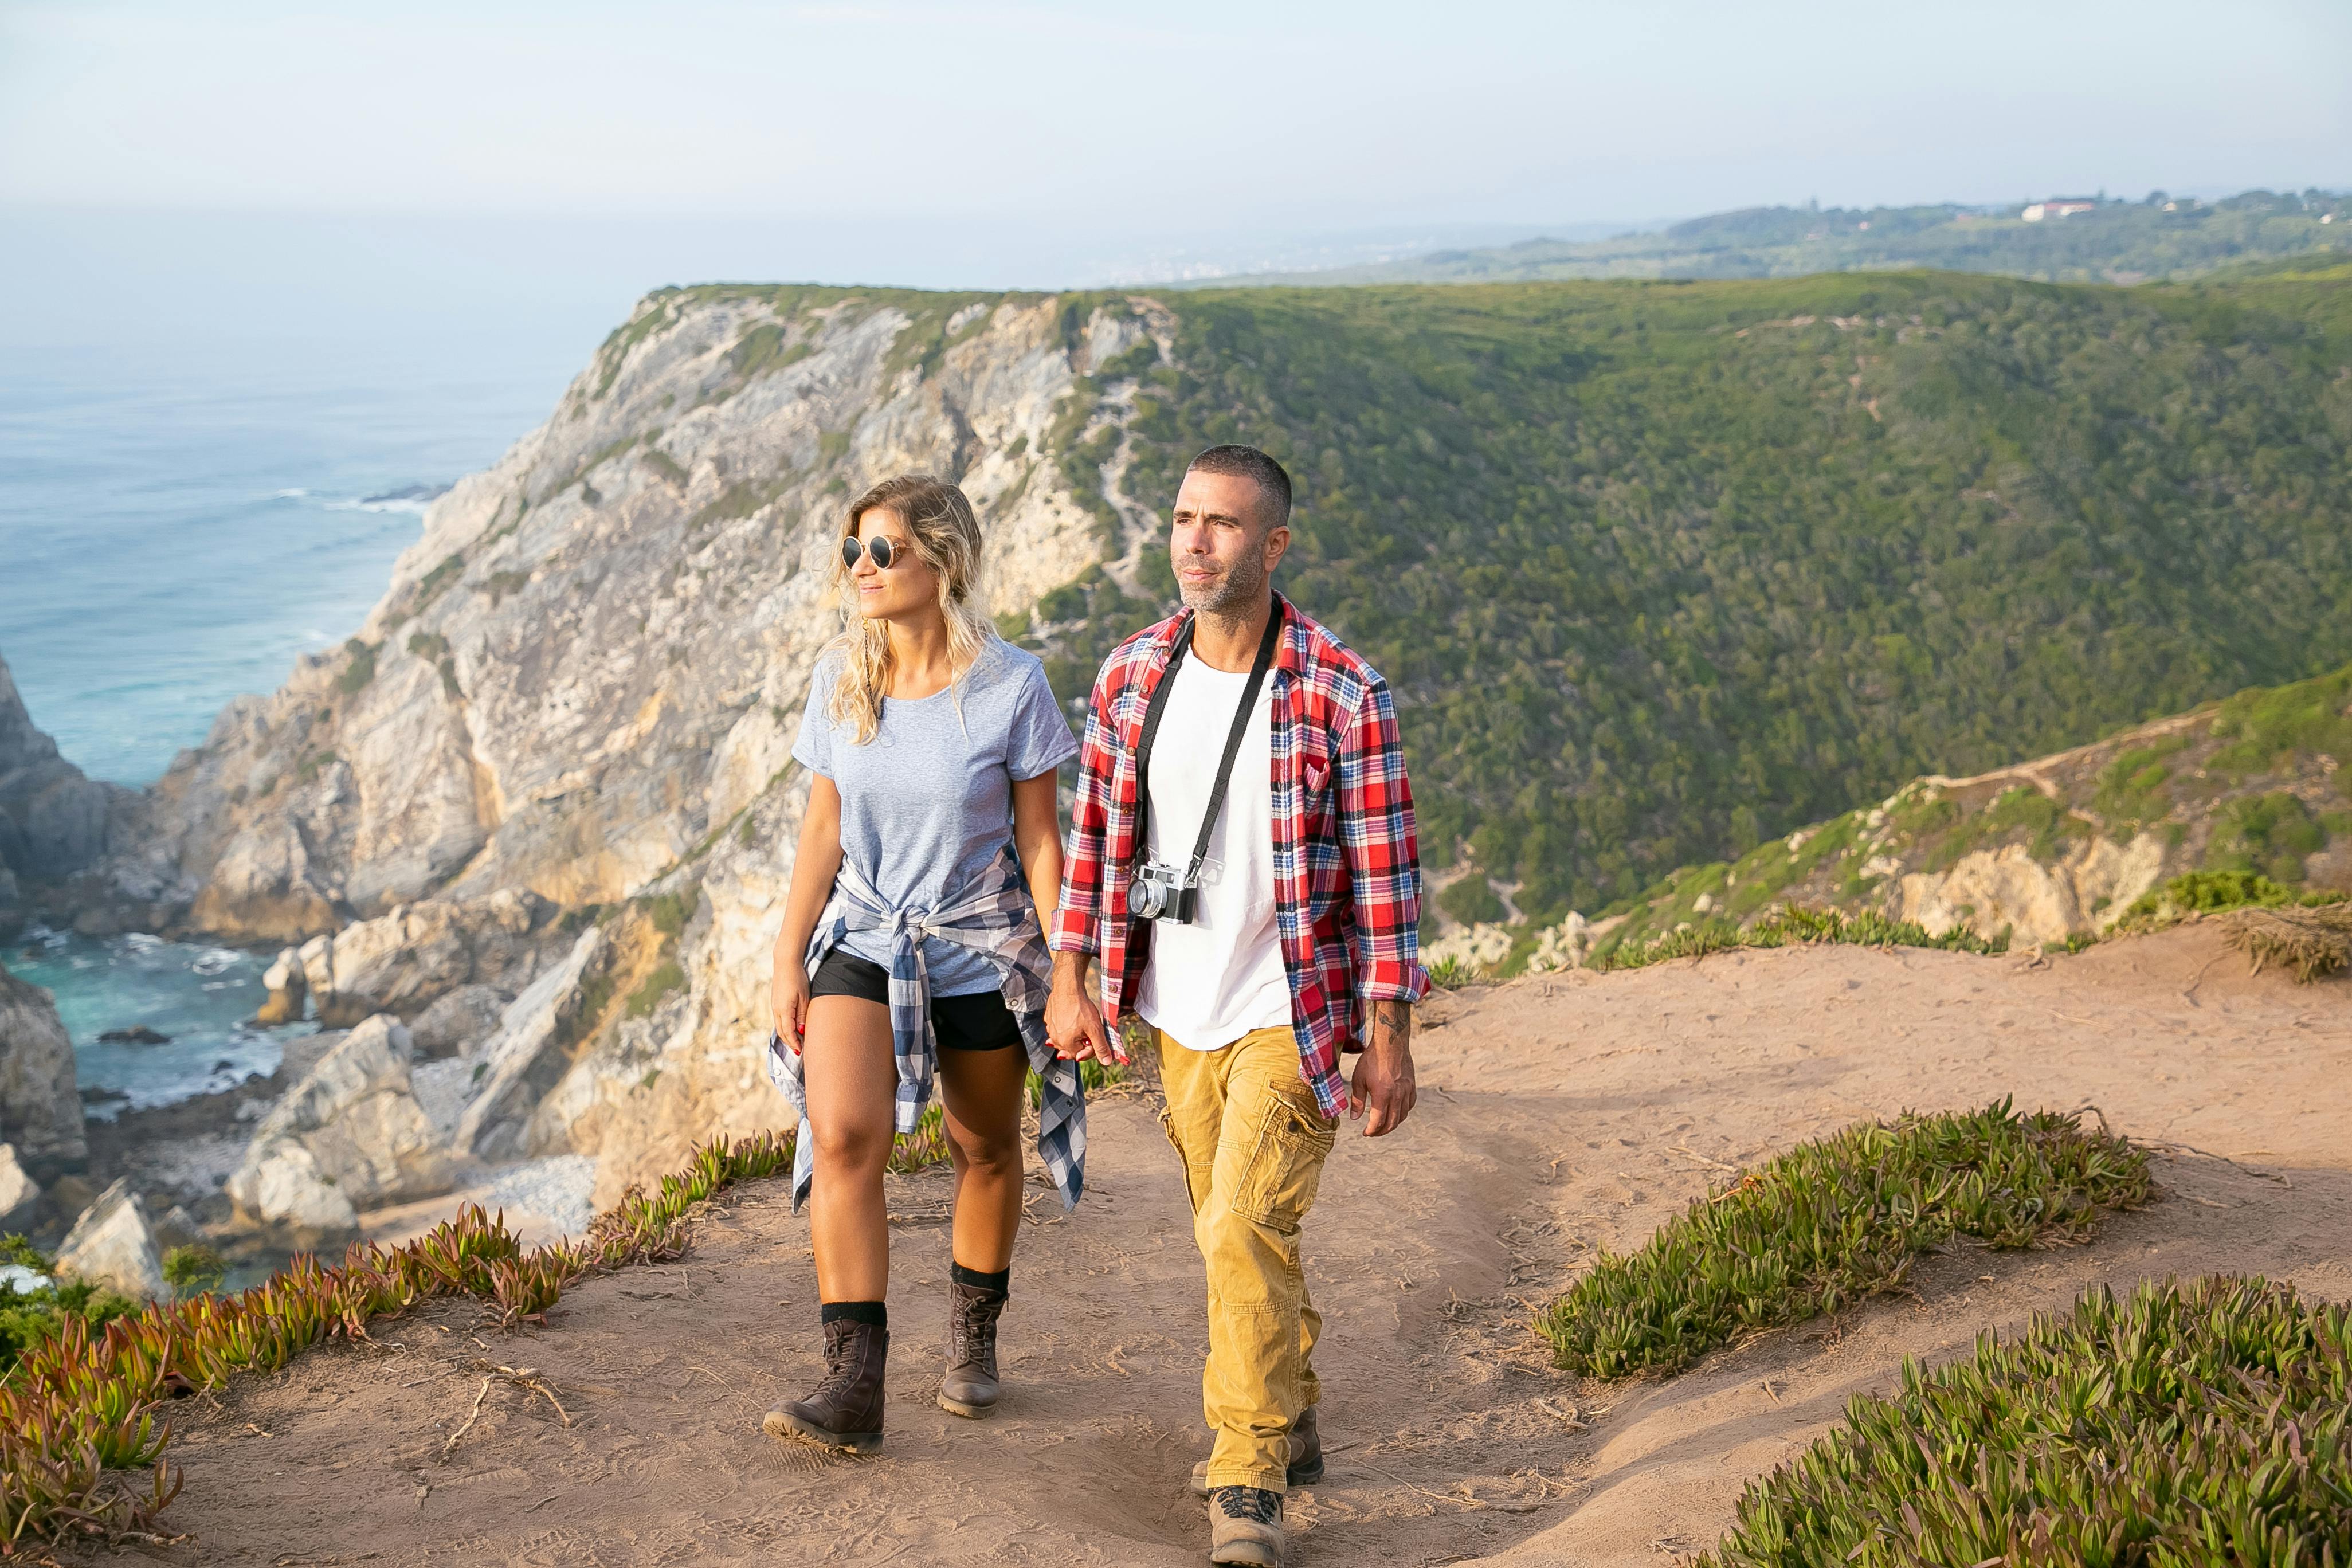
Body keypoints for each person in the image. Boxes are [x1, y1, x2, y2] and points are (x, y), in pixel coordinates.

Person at [1046, 444, 1425, 1567]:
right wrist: (1073, 979)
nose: (1194, 543)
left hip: (1289, 1010)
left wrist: (1390, 1036)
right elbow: (1096, 847)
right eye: (1181, 519)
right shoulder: (1131, 675)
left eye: (1220, 524)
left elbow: (1386, 875)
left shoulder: (1337, 687)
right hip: (1174, 1010)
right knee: (1234, 1234)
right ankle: (1292, 1397)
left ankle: (1248, 1471)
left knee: (1242, 1225)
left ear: (1273, 545)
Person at [762, 473, 1084, 1453]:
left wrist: (1067, 968)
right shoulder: (839, 679)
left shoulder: (1011, 685)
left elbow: (1042, 844)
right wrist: (787, 958)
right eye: (852, 551)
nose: (862, 568)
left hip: (978, 940)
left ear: (942, 560)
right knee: (844, 1137)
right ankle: (854, 1388)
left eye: (883, 550)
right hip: (862, 936)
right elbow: (824, 828)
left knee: (983, 1148)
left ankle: (972, 1337)